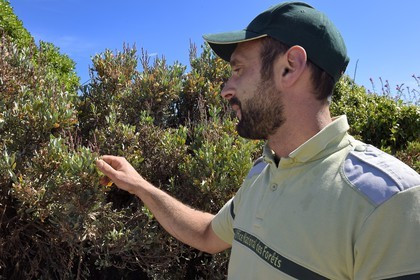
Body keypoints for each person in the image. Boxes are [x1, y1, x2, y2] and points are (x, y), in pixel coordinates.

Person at [96, 2, 420, 279]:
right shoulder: (262, 175)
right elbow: (207, 234)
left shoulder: (389, 201)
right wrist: (139, 185)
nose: (226, 88)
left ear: (290, 67)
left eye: (238, 69)